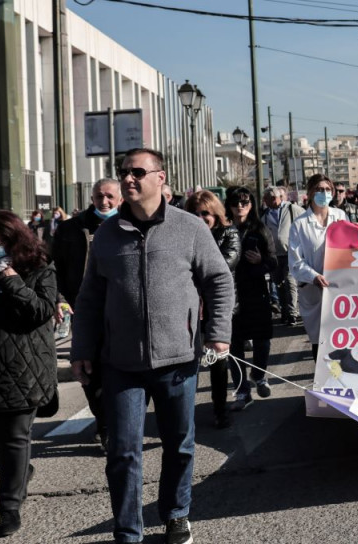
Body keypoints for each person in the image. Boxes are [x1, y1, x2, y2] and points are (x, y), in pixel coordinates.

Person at [71, 147, 233, 544]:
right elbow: (90, 296)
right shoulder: (107, 234)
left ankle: (176, 513)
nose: (128, 178)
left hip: (178, 359)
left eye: (137, 172)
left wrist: (218, 330)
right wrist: (82, 349)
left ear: (160, 178)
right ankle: (128, 531)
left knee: (180, 444)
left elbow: (218, 279)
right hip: (121, 363)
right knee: (123, 452)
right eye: (124, 171)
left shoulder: (190, 227)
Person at [0, 210, 59, 537]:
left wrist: (9, 277)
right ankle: (20, 473)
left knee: (15, 438)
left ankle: (9, 506)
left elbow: (40, 311)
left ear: (12, 240)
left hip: (24, 365)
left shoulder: (39, 267)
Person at [51, 177, 122, 447]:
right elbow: (54, 266)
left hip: (122, 310)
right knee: (89, 371)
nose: (103, 202)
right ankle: (104, 422)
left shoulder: (128, 224)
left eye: (109, 197)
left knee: (121, 368)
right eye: (98, 197)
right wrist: (58, 298)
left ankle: (118, 422)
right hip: (84, 308)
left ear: (120, 199)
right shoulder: (71, 229)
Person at [183, 191, 241, 429]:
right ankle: (184, 413)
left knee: (218, 363)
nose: (199, 217)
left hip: (217, 308)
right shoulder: (182, 235)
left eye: (204, 213)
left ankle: (220, 408)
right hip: (190, 309)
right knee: (188, 365)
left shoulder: (229, 233)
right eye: (194, 213)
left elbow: (224, 265)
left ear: (215, 214)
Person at [224, 187, 277, 409]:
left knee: (262, 339)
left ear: (252, 205)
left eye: (245, 202)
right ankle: (241, 393)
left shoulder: (259, 228)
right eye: (236, 203)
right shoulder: (223, 228)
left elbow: (274, 262)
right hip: (230, 293)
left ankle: (259, 374)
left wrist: (260, 261)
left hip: (256, 291)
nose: (240, 207)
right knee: (233, 344)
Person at [287, 174, 348, 363]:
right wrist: (314, 276)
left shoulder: (340, 217)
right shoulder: (299, 225)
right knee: (320, 342)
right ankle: (324, 384)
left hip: (340, 288)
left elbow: (350, 247)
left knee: (341, 338)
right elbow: (295, 262)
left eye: (328, 189)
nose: (324, 193)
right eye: (319, 190)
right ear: (310, 193)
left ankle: (341, 382)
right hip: (314, 290)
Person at [263, 185, 305, 325]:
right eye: (267, 198)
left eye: (273, 197)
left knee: (290, 282)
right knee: (278, 284)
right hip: (275, 255)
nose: (271, 200)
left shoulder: (292, 209)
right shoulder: (264, 215)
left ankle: (293, 313)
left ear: (280, 198)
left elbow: (305, 220)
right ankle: (285, 313)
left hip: (290, 253)